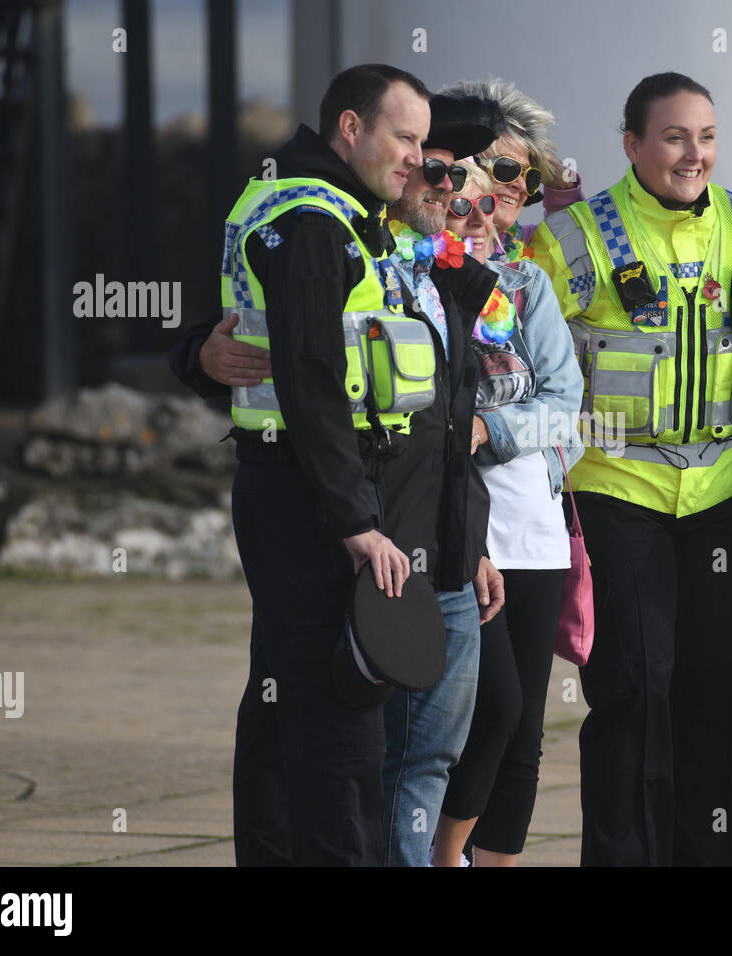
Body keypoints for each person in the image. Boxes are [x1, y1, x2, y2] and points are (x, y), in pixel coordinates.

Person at [167, 63, 429, 865]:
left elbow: (222, 324)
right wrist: (354, 521)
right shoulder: (315, 220)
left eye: (425, 141)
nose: (418, 158)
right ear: (350, 129)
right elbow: (316, 384)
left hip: (293, 484)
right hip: (314, 495)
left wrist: (194, 357)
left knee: (282, 709)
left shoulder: (300, 202)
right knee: (341, 725)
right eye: (404, 138)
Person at [529, 72, 732, 866]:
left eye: (705, 136)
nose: (693, 153)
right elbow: (513, 339)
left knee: (716, 696)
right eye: (674, 136)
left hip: (723, 493)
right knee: (634, 692)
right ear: (632, 144)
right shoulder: (573, 240)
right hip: (618, 492)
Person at [428, 162, 583, 866]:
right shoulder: (424, 290)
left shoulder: (528, 286)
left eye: (492, 206)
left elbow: (563, 405)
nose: (482, 221)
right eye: (463, 208)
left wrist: (492, 431)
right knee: (492, 712)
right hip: (463, 532)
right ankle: (440, 856)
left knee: (524, 735)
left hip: (535, 532)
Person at [375, 94, 510, 868]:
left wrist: (476, 543)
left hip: (454, 557)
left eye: (457, 176)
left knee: (431, 761)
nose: (448, 190)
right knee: (382, 759)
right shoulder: (357, 258)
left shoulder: (450, 277)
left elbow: (453, 433)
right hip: (387, 555)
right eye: (431, 169)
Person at [439, 78, 583, 261]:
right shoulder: (416, 249)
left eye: (530, 177)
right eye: (506, 169)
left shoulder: (527, 249)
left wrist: (560, 182)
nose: (522, 186)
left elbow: (573, 234)